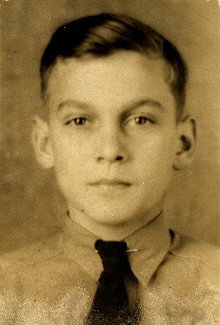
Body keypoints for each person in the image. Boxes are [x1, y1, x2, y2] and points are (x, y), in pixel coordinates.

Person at [0, 13, 219, 325]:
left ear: (182, 143)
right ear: (45, 143)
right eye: (80, 121)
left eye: (141, 120)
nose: (111, 151)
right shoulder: (5, 289)